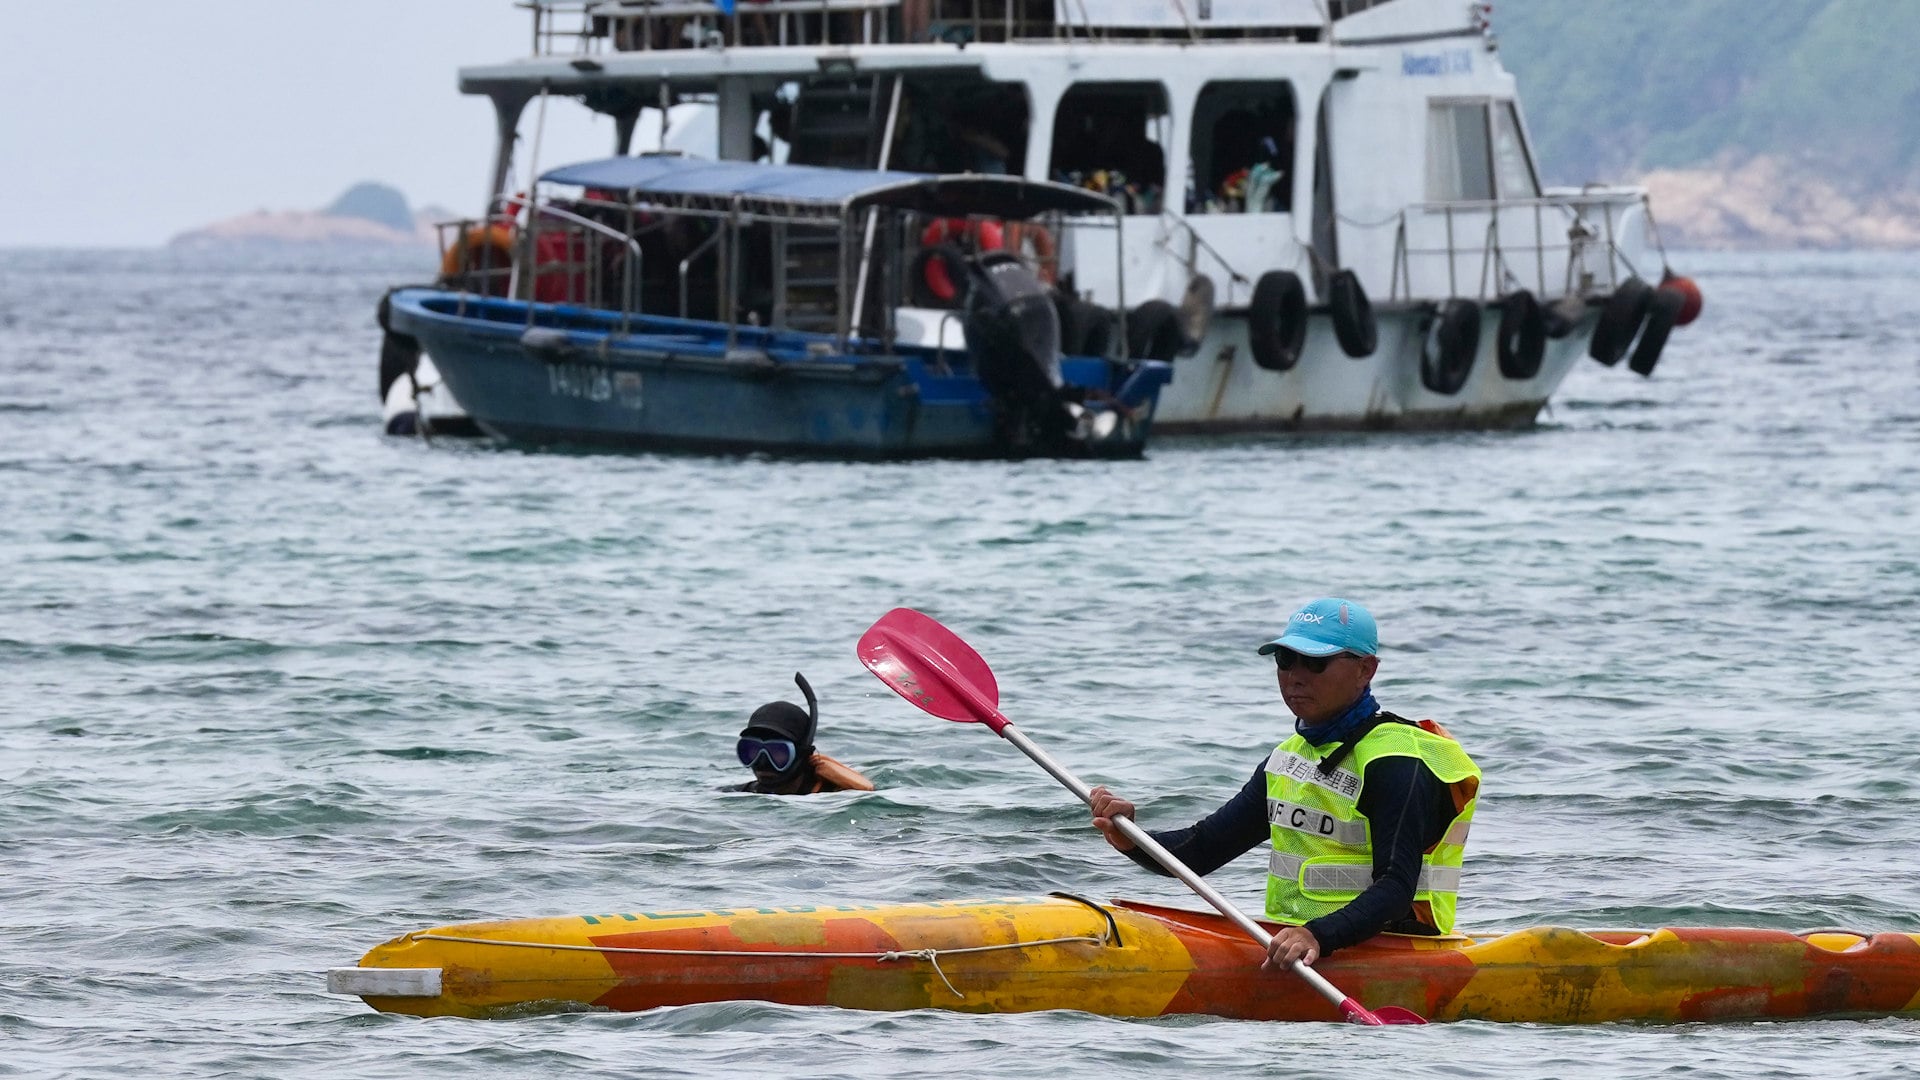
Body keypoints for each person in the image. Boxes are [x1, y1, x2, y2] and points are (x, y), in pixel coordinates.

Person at [1087, 598, 1480, 969]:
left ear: (1366, 670)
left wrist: (1317, 935)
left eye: (1315, 663)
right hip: (1297, 948)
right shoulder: (1288, 759)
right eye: (1286, 660)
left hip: (1393, 947)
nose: (1296, 677)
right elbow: (1201, 851)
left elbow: (1396, 889)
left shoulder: (1398, 762)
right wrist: (1130, 836)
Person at [733, 672, 876, 795]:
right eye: (752, 751)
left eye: (777, 752)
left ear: (802, 753)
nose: (762, 764)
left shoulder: (834, 797)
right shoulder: (740, 794)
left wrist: (860, 791)